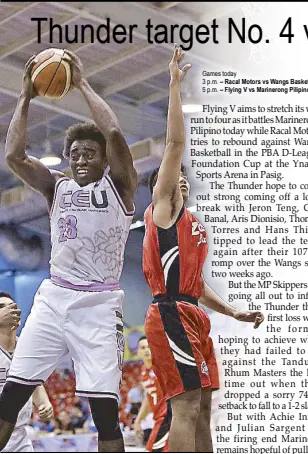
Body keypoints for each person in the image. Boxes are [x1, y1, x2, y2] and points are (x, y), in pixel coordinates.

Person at [0, 49, 137, 453]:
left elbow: (112, 134)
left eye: (88, 154)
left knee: (105, 414)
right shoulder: (55, 186)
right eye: (74, 153)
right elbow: (13, 156)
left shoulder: (120, 187)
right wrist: (25, 96)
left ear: (103, 161)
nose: (80, 158)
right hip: (54, 296)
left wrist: (80, 83)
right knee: (10, 398)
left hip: (98, 303)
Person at [142, 45, 265, 453]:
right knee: (187, 405)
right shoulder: (163, 212)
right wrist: (175, 86)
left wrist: (232, 311)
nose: (179, 180)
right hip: (170, 312)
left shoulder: (193, 225)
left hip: (192, 312)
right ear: (160, 188)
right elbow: (175, 145)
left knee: (205, 405)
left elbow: (197, 285)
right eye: (170, 177)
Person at [0, 292, 53, 452]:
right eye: (1, 307)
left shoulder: (26, 348)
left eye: (12, 307)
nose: (9, 310)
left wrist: (45, 404)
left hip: (20, 439)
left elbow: (32, 383)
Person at [134, 336, 171, 453]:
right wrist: (138, 420)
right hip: (158, 419)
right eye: (143, 347)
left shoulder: (161, 366)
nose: (146, 350)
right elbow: (148, 398)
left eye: (149, 347)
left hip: (167, 417)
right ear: (138, 352)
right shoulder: (143, 371)